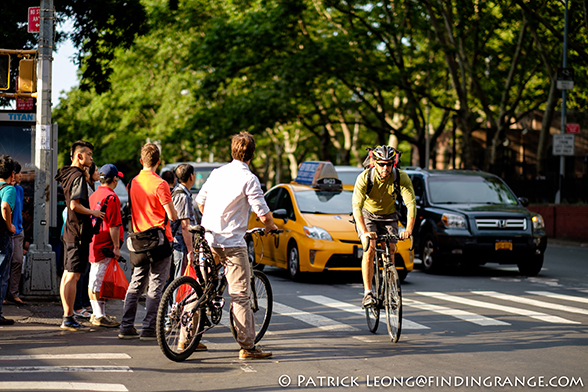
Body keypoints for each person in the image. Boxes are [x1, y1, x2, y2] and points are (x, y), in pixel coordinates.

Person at [196, 132, 278, 360]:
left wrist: (215, 219)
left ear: (232, 150)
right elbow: (263, 214)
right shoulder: (249, 179)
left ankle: (187, 336)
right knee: (240, 295)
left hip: (208, 238)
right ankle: (248, 346)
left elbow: (200, 201)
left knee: (201, 288)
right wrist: (272, 227)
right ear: (252, 154)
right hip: (232, 243)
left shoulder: (216, 173)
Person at [119, 143, 177, 340]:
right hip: (160, 241)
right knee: (156, 285)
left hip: (138, 240)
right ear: (158, 161)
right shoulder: (161, 184)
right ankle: (149, 329)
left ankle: (126, 326)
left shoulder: (132, 182)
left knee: (136, 283)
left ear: (141, 161)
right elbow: (172, 214)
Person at [351, 145, 417, 308]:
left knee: (391, 249)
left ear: (393, 163)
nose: (385, 168)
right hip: (368, 215)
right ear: (374, 162)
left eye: (389, 164)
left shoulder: (401, 177)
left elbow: (411, 204)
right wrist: (365, 232)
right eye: (381, 164)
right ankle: (368, 293)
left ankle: (389, 291)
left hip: (389, 215)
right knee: (370, 249)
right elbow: (356, 207)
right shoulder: (364, 178)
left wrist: (408, 229)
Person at [55, 141, 105, 331]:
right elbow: (75, 205)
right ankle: (68, 317)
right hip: (78, 232)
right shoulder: (78, 176)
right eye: (89, 155)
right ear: (79, 156)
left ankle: (67, 315)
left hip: (70, 230)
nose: (91, 159)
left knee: (68, 274)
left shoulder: (68, 173)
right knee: (73, 275)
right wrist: (94, 212)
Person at [87, 164, 125, 328]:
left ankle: (98, 313)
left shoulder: (94, 195)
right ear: (114, 179)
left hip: (94, 242)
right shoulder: (112, 197)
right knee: (96, 280)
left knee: (96, 279)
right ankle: (98, 315)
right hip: (104, 245)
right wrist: (116, 247)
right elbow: (114, 225)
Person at [73, 161, 101, 318]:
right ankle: (78, 305)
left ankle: (83, 302)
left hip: (87, 233)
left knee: (85, 270)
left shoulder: (91, 188)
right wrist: (93, 212)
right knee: (80, 272)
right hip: (80, 234)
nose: (97, 172)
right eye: (95, 170)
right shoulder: (85, 188)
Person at [170, 164, 196, 282]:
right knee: (178, 280)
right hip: (180, 243)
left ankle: (172, 301)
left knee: (174, 279)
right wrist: (190, 251)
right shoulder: (182, 196)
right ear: (191, 176)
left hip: (176, 241)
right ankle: (176, 301)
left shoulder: (177, 192)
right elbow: (185, 226)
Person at [0, 155, 16, 325]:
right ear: (12, 173)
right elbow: (5, 206)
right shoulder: (9, 189)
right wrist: (9, 226)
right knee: (2, 275)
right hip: (2, 236)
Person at [7, 161, 25, 305]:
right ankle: (3, 294)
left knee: (17, 261)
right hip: (7, 231)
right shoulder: (6, 189)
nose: (21, 175)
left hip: (18, 231)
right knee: (5, 263)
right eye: (19, 173)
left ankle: (13, 293)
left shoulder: (19, 190)